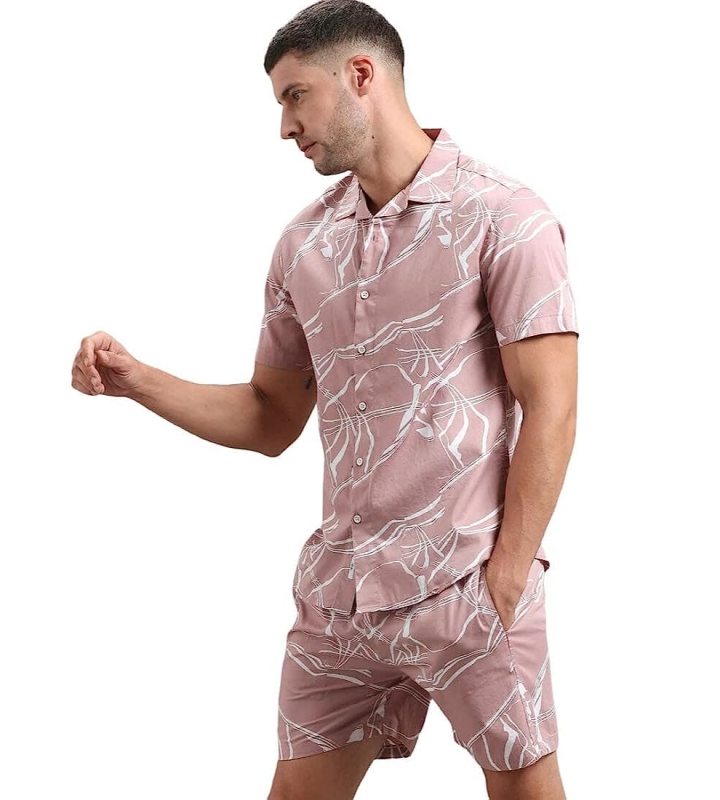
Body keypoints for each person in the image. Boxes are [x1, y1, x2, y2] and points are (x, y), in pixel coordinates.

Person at [71, 1, 579, 797]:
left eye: (294, 95)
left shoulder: (507, 218)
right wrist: (137, 380)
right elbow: (270, 417)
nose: (285, 126)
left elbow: (551, 405)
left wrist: (505, 582)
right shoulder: (303, 244)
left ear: (361, 75)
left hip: (465, 586)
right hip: (339, 601)